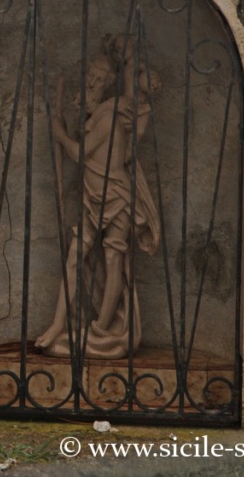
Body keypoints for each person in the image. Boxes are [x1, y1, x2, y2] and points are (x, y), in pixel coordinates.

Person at [34, 39, 160, 358]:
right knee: (75, 257)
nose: (90, 83)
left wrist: (60, 134)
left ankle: (102, 331)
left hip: (115, 195)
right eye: (90, 76)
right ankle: (58, 325)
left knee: (113, 258)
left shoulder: (108, 116)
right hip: (93, 197)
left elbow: (80, 153)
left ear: (108, 86)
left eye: (98, 79)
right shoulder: (101, 115)